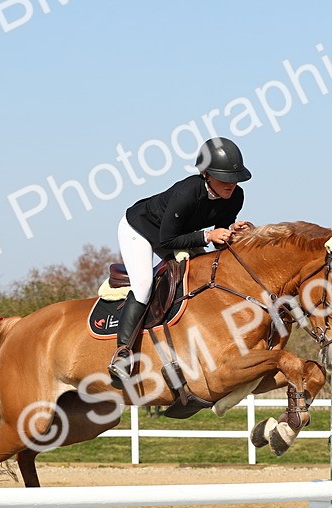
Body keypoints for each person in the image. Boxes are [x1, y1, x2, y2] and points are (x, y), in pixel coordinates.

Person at [109, 137, 254, 386]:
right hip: (141, 229)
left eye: (234, 178)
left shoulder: (236, 196)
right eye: (223, 178)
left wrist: (233, 230)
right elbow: (166, 241)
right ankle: (122, 353)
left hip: (177, 235)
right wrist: (207, 235)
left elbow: (219, 236)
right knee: (144, 285)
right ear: (206, 174)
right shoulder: (188, 192)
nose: (231, 184)